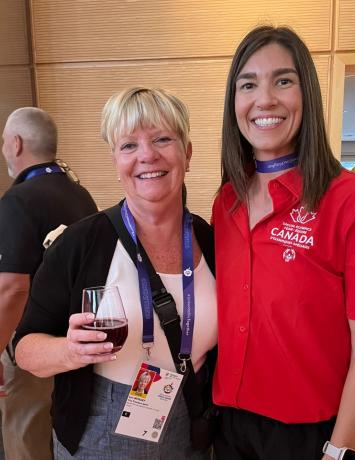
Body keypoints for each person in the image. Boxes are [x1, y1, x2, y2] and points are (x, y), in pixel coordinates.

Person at [211, 26, 355, 460]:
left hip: (314, 435)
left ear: (308, 94)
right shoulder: (227, 201)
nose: (264, 99)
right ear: (234, 102)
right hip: (230, 425)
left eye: (283, 80)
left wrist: (340, 451)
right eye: (248, 84)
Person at [14, 87, 217, 459]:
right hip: (99, 427)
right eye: (128, 145)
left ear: (187, 153)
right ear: (115, 160)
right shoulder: (79, 244)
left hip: (191, 419)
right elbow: (24, 348)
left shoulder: (211, 240)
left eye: (162, 139)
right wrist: (68, 351)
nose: (147, 155)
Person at [0, 107, 98, 460]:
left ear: (16, 143)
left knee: (25, 431)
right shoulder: (79, 193)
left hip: (32, 344)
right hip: (74, 341)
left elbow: (13, 287)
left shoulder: (18, 200)